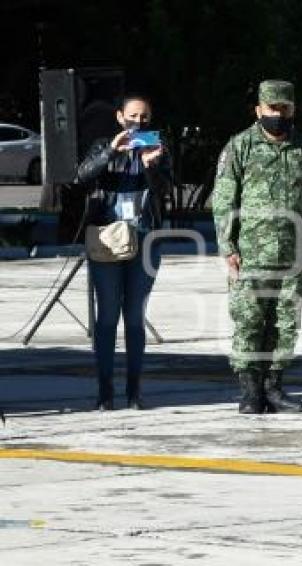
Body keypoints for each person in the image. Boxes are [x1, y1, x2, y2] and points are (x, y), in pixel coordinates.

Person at [212, 80, 302, 414]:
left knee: (285, 323)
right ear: (259, 110)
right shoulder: (240, 147)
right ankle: (249, 392)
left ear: (294, 109)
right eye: (272, 108)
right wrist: (227, 246)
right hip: (250, 254)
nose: (279, 114)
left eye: (285, 108)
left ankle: (274, 388)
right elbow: (223, 200)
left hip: (292, 254)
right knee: (249, 321)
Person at [76, 95, 170, 411]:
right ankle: (105, 391)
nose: (138, 122)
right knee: (106, 318)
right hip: (108, 237)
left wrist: (151, 167)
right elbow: (83, 176)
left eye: (144, 117)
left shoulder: (156, 147)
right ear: (119, 117)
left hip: (145, 238)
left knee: (134, 317)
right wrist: (110, 151)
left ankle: (134, 391)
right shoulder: (103, 145)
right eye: (132, 116)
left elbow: (165, 192)